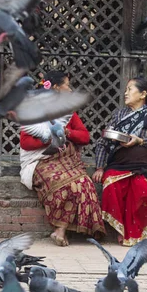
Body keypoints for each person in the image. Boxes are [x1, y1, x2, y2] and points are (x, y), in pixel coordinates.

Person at [19, 71, 105, 246]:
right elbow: (26, 143)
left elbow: (85, 137)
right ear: (57, 88)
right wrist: (50, 138)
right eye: (67, 85)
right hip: (41, 161)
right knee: (64, 184)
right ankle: (60, 230)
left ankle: (60, 230)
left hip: (66, 161)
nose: (70, 89)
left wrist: (67, 132)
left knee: (83, 183)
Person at [93, 77, 147, 246]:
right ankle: (122, 230)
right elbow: (103, 142)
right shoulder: (119, 114)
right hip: (120, 164)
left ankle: (136, 231)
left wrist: (140, 141)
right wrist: (99, 167)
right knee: (112, 185)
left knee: (143, 187)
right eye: (126, 89)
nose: (125, 93)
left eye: (130, 89)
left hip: (146, 165)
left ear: (143, 94)